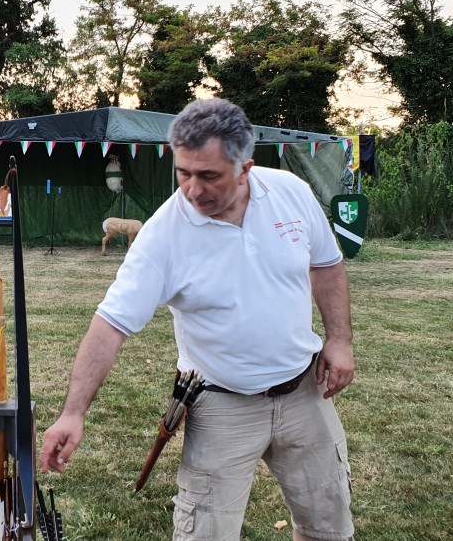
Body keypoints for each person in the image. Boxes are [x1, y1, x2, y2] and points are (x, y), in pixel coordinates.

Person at [39, 98, 356, 541]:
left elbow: (326, 264)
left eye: (209, 176)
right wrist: (73, 412)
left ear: (245, 167)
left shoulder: (290, 193)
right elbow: (110, 324)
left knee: (328, 528)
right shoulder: (164, 235)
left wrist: (339, 339)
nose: (192, 189)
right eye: (183, 173)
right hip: (220, 405)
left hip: (304, 392)